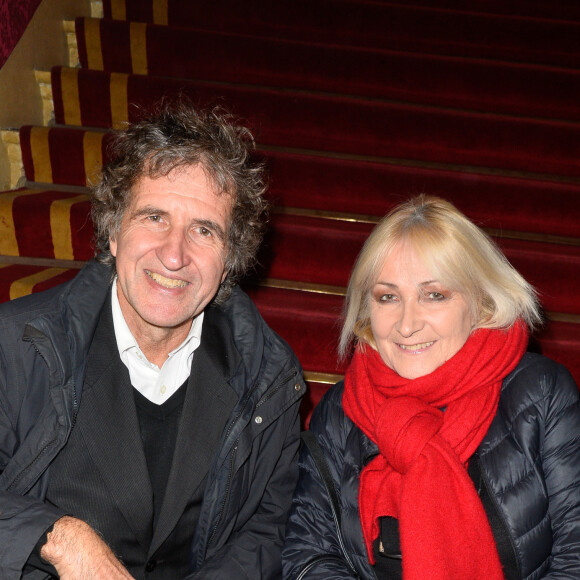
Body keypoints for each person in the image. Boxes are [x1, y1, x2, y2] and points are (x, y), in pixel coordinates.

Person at [0, 100, 306, 579]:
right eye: (154, 217)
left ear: (229, 260)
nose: (174, 254)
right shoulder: (15, 345)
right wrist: (59, 538)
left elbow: (266, 530)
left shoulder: (269, 377)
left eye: (203, 230)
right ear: (115, 233)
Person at [282, 195, 580, 579]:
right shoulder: (341, 411)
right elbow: (307, 554)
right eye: (388, 297)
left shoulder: (541, 393)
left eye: (434, 295)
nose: (406, 325)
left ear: (481, 302)